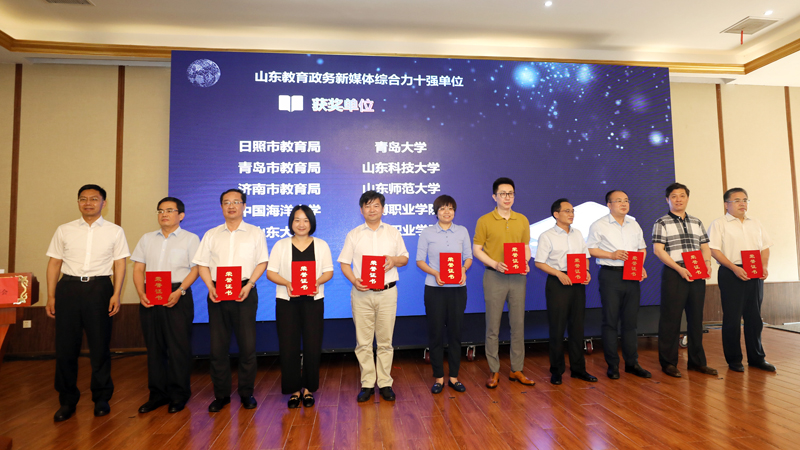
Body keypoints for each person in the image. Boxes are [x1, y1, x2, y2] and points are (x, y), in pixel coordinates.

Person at [45, 184, 130, 422]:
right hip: (68, 288)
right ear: (78, 202)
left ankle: (101, 398)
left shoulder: (115, 231)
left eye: (94, 199)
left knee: (100, 347)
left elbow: (120, 264)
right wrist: (51, 296)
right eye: (83, 199)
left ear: (104, 203)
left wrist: (116, 294)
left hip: (100, 288)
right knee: (65, 348)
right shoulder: (64, 230)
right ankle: (67, 400)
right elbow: (54, 263)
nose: (88, 203)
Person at [193, 188, 269, 411]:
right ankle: (221, 395)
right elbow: (202, 264)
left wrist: (250, 284)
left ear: (244, 206)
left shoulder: (255, 232)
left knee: (247, 346)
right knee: (218, 347)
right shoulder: (211, 234)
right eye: (226, 202)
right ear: (221, 207)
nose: (231, 206)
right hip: (217, 292)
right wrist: (210, 286)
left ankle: (246, 393)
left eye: (236, 202)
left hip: (245, 290)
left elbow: (262, 262)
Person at [338, 191, 409, 402]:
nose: (372, 209)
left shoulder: (393, 232)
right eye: (367, 206)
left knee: (385, 341)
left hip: (387, 292)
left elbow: (405, 258)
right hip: (362, 294)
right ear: (361, 210)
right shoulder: (354, 234)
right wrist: (354, 280)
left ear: (383, 209)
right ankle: (367, 383)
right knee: (363, 342)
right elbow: (344, 263)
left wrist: (393, 260)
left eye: (376, 205)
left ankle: (385, 383)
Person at [131, 197, 200, 414]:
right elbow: (138, 268)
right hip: (151, 294)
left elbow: (196, 269)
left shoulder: (191, 238)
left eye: (169, 210)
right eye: (160, 211)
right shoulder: (147, 238)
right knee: (154, 347)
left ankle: (179, 395)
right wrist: (140, 292)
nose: (164, 214)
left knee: (178, 348)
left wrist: (180, 291)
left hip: (178, 293)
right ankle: (157, 395)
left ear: (181, 215)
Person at [266, 205, 334, 408]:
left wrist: (316, 282)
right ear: (291, 223)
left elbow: (328, 271)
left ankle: (309, 389)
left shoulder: (321, 245)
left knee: (313, 345)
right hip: (287, 302)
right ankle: (294, 390)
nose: (301, 224)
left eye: (305, 220)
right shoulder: (281, 245)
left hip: (313, 301)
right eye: (297, 220)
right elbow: (271, 272)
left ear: (311, 222)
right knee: (288, 346)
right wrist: (287, 283)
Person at [473, 177, 534, 389]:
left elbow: (525, 247)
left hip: (518, 277)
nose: (507, 197)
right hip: (494, 276)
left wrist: (525, 262)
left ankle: (517, 369)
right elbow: (477, 249)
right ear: (494, 196)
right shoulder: (484, 220)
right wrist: (495, 264)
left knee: (518, 324)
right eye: (503, 194)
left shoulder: (522, 220)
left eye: (510, 193)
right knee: (493, 325)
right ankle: (494, 369)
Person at [652, 182, 717, 377]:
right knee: (670, 319)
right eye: (674, 196)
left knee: (696, 319)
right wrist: (679, 269)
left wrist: (707, 263)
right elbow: (658, 250)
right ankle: (668, 363)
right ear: (667, 199)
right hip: (674, 272)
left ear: (687, 198)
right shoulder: (661, 222)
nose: (678, 199)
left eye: (682, 196)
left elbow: (705, 246)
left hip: (697, 271)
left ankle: (697, 362)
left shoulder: (696, 222)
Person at [586, 190, 652, 380]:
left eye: (626, 200)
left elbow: (642, 248)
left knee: (630, 322)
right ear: (609, 205)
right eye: (618, 201)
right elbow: (590, 249)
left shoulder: (634, 224)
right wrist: (612, 255)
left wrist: (640, 266)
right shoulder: (599, 224)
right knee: (611, 321)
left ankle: (632, 363)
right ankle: (613, 365)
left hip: (632, 275)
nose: (624, 204)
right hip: (611, 275)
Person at [708, 188, 775, 373]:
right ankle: (734, 359)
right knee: (732, 317)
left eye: (745, 200)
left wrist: (764, 266)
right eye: (737, 200)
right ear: (726, 204)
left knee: (754, 317)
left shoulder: (756, 223)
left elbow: (765, 247)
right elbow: (714, 250)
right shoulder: (719, 224)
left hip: (754, 272)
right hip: (731, 272)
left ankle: (757, 358)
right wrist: (734, 268)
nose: (742, 203)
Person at [535, 198, 596, 385]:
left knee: (577, 327)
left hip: (578, 282)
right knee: (557, 328)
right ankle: (557, 370)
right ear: (556, 214)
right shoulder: (547, 235)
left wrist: (586, 271)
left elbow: (585, 256)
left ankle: (578, 369)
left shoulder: (578, 234)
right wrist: (558, 274)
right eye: (567, 211)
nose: (571, 214)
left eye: (572, 211)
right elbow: (539, 262)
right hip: (558, 282)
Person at [416, 195, 473, 394]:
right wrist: (435, 273)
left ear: (454, 211)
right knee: (436, 333)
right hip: (435, 289)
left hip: (458, 289)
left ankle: (454, 377)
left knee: (456, 333)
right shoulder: (427, 232)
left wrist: (463, 269)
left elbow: (468, 257)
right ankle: (439, 378)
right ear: (436, 212)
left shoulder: (462, 231)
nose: (446, 212)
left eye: (450, 208)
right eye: (442, 209)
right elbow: (419, 261)